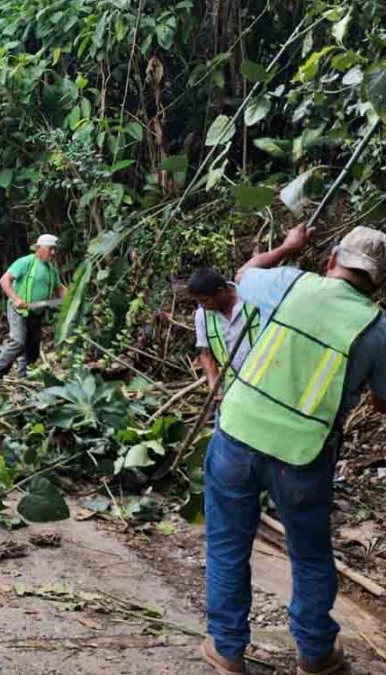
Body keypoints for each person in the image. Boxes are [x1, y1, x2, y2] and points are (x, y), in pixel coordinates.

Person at [202, 224, 386, 675]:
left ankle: (227, 651)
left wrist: (288, 247)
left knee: (227, 545)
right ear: (379, 283)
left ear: (332, 260)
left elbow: (243, 274)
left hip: (237, 432)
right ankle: (316, 654)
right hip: (302, 456)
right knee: (310, 554)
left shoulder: (289, 282)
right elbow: (383, 401)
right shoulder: (378, 330)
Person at [0, 234, 66, 378]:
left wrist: (72, 299)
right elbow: (4, 280)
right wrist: (16, 299)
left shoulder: (51, 269)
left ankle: (23, 377)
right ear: (39, 249)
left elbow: (60, 289)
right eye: (50, 249)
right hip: (18, 311)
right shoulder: (25, 262)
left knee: (32, 350)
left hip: (36, 313)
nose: (53, 253)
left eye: (54, 249)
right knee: (18, 342)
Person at [189, 268, 261, 401]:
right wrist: (214, 387)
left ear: (221, 291)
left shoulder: (252, 299)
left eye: (205, 301)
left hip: (263, 382)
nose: (203, 306)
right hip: (231, 388)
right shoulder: (202, 316)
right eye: (199, 302)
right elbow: (206, 355)